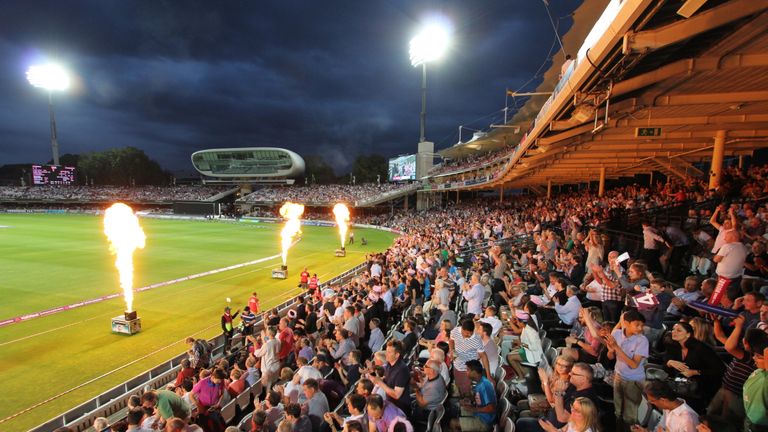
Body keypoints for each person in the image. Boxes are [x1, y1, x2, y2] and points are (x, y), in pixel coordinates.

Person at [663, 321, 725, 411]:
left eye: (679, 330)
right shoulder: (673, 346)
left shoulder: (701, 349)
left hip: (699, 390)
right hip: (679, 387)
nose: (673, 332)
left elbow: (719, 369)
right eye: (673, 329)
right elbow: (666, 369)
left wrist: (695, 372)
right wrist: (669, 363)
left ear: (688, 334)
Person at [606, 310, 649, 432]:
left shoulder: (642, 340)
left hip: (634, 380)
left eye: (642, 325)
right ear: (625, 323)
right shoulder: (616, 334)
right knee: (618, 409)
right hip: (619, 376)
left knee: (630, 415)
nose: (640, 328)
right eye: (637, 325)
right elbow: (611, 357)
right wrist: (610, 350)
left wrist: (616, 348)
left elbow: (634, 365)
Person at [452, 359, 496, 432]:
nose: (466, 372)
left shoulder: (484, 386)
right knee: (458, 409)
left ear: (474, 372)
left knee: (453, 423)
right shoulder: (479, 382)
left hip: (484, 422)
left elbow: (491, 408)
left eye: (468, 370)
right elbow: (480, 398)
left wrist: (473, 409)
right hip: (479, 413)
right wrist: (469, 400)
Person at [370, 340, 411, 415]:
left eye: (389, 352)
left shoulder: (402, 370)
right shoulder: (389, 364)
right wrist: (379, 380)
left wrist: (380, 383)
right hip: (390, 404)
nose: (386, 354)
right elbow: (387, 380)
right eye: (386, 351)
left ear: (397, 355)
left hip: (400, 409)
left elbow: (396, 395)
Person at [742, 329, 768, 432]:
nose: (754, 358)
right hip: (749, 419)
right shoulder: (758, 371)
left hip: (761, 426)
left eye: (759, 357)